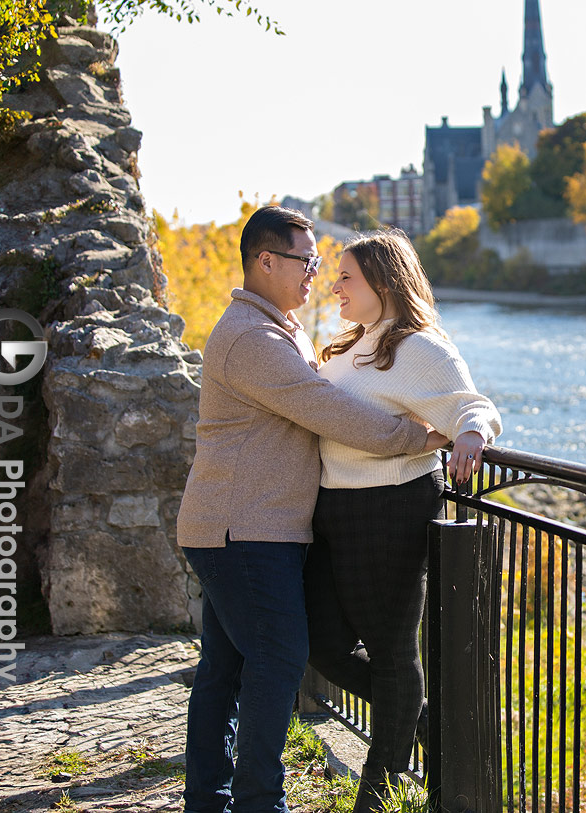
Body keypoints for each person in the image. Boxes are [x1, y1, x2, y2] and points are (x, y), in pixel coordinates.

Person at [176, 206, 446, 813]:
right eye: (306, 261)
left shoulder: (279, 329)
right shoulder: (253, 338)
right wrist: (417, 438)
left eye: (320, 263)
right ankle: (257, 801)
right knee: (277, 660)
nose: (315, 274)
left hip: (247, 525)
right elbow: (326, 408)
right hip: (243, 530)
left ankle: (210, 797)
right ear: (266, 261)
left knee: (225, 667)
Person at [304, 229, 501, 812]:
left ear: (383, 282)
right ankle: (425, 723)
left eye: (346, 277)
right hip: (332, 509)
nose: (335, 287)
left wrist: (471, 434)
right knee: (322, 644)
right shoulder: (350, 345)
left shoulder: (420, 349)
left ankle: (379, 790)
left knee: (392, 653)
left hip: (390, 508)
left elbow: (473, 406)